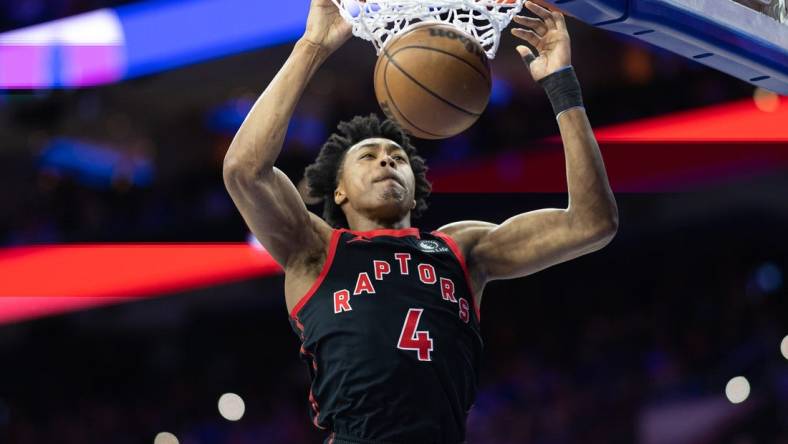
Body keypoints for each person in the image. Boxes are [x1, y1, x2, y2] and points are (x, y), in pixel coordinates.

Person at [222, 0, 618, 442]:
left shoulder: (462, 249)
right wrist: (312, 46)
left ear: (415, 183)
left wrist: (562, 86)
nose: (387, 163)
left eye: (397, 158)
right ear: (339, 190)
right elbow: (244, 170)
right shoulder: (316, 251)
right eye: (369, 157)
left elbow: (591, 223)